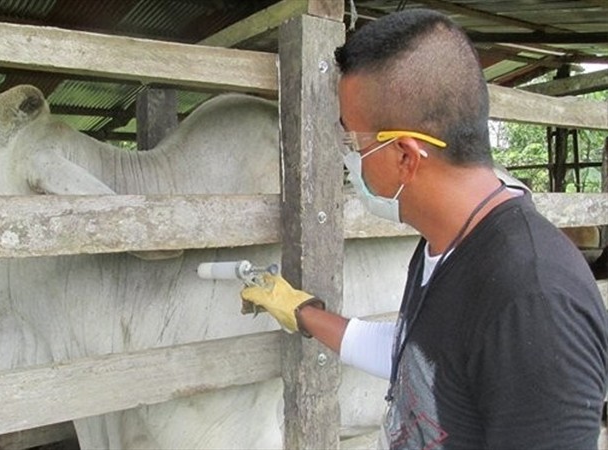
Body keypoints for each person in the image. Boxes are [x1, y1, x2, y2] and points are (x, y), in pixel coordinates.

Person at [240, 9, 608, 449]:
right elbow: (418, 354)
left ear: (405, 157)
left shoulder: (535, 302)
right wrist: (301, 311)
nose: (349, 161)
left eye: (351, 143)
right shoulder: (445, 243)